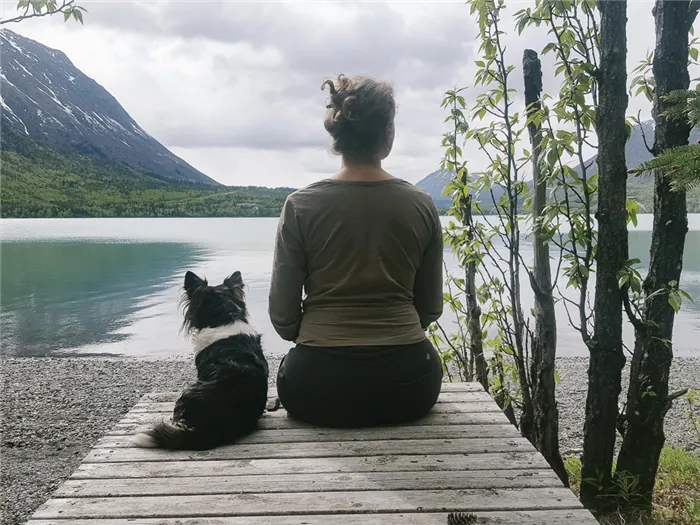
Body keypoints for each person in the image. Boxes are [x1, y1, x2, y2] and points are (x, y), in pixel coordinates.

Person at [268, 74, 444, 428]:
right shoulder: (421, 204)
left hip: (316, 387)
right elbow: (429, 308)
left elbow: (284, 318)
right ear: (388, 134)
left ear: (337, 137)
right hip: (410, 386)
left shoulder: (300, 205)